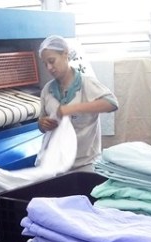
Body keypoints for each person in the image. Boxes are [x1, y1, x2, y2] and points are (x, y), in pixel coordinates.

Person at [37, 35, 118, 171]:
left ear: (65, 55)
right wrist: (42, 124)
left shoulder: (87, 84)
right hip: (55, 164)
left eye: (52, 61)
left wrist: (72, 108)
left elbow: (111, 103)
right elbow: (41, 123)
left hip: (84, 164)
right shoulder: (47, 90)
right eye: (45, 64)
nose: (49, 67)